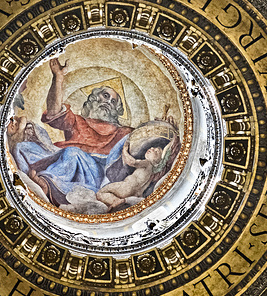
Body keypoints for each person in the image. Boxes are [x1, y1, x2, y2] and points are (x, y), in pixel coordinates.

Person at [10, 58, 133, 206]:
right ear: (93, 98)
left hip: (93, 171)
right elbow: (54, 112)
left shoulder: (123, 132)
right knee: (22, 148)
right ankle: (25, 184)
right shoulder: (78, 121)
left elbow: (144, 138)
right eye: (105, 96)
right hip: (61, 158)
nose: (108, 102)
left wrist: (163, 129)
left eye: (113, 102)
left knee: (73, 153)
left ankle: (47, 183)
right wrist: (58, 78)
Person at [96, 140, 165, 211]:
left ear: (157, 160)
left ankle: (116, 201)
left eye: (156, 151)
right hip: (135, 193)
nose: (152, 148)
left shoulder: (147, 163)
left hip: (126, 187)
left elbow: (132, 162)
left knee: (101, 192)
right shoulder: (151, 172)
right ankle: (117, 203)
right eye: (153, 147)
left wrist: (124, 150)